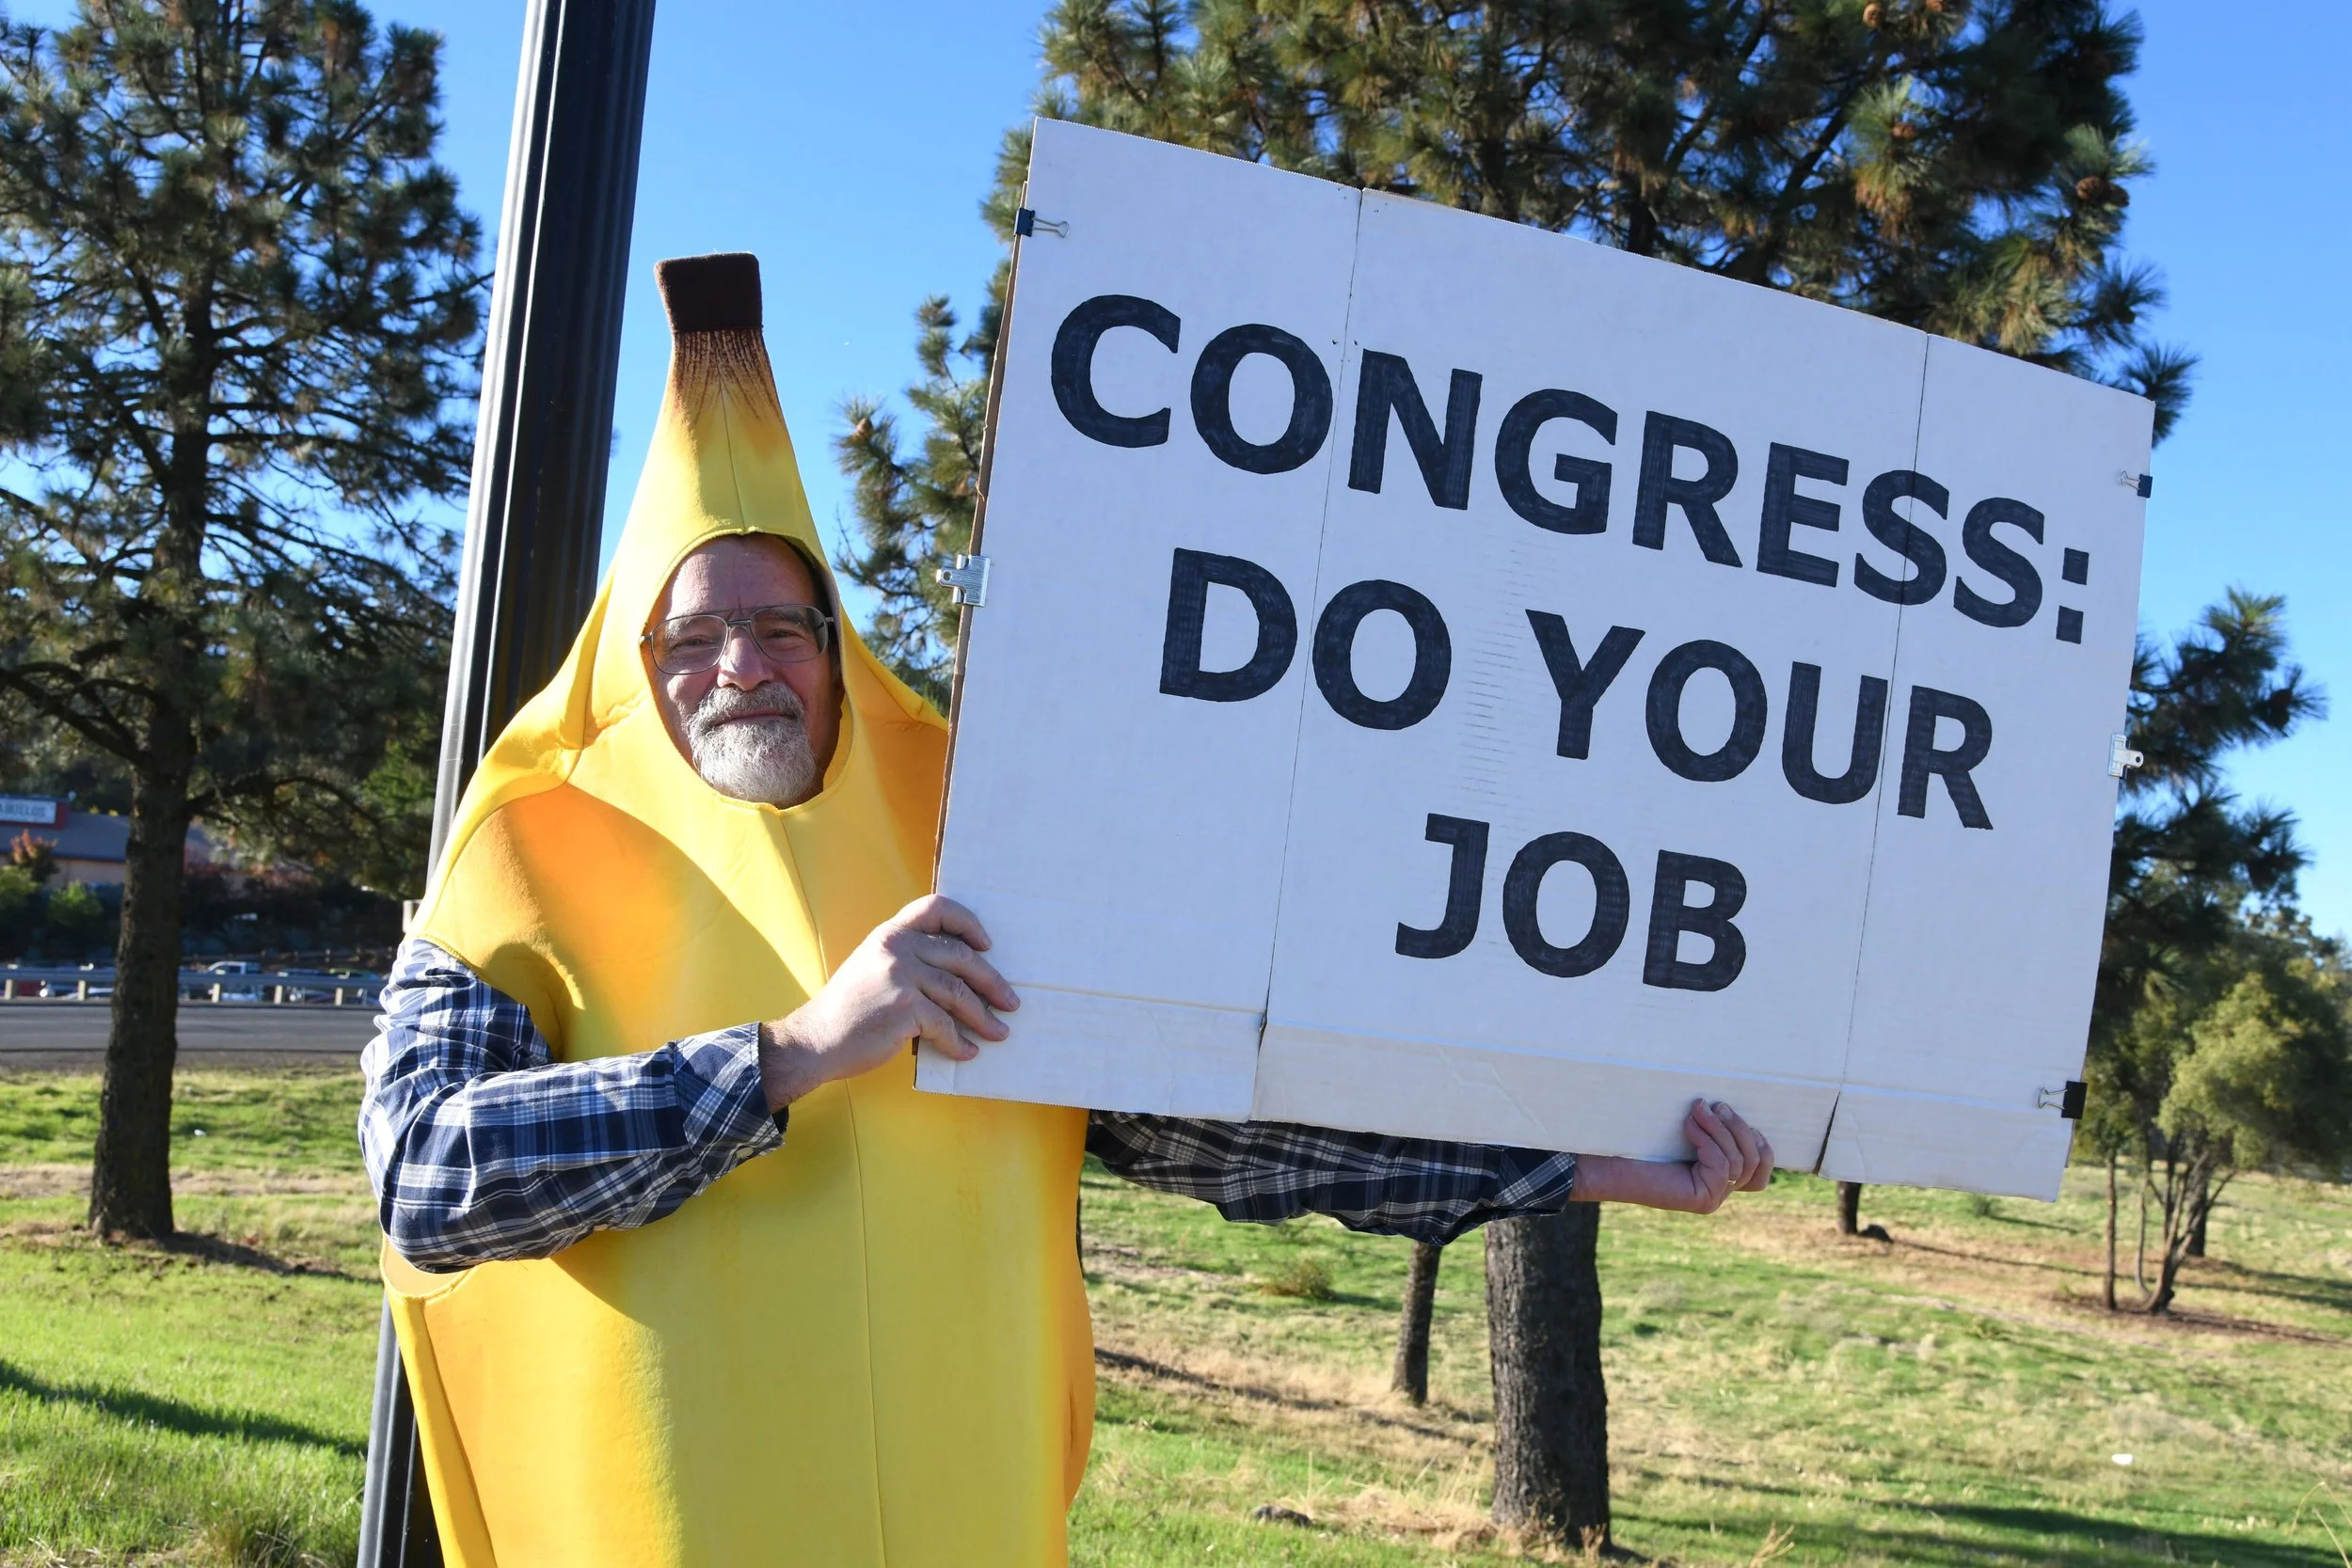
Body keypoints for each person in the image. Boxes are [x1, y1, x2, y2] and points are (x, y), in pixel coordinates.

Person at [360, 252, 1772, 1568]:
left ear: (839, 653)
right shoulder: (524, 854)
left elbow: (1225, 1127)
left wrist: (1587, 1161)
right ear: (634, 662)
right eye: (695, 633)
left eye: (785, 625)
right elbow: (423, 1177)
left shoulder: (972, 842)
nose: (742, 664)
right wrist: (789, 1053)